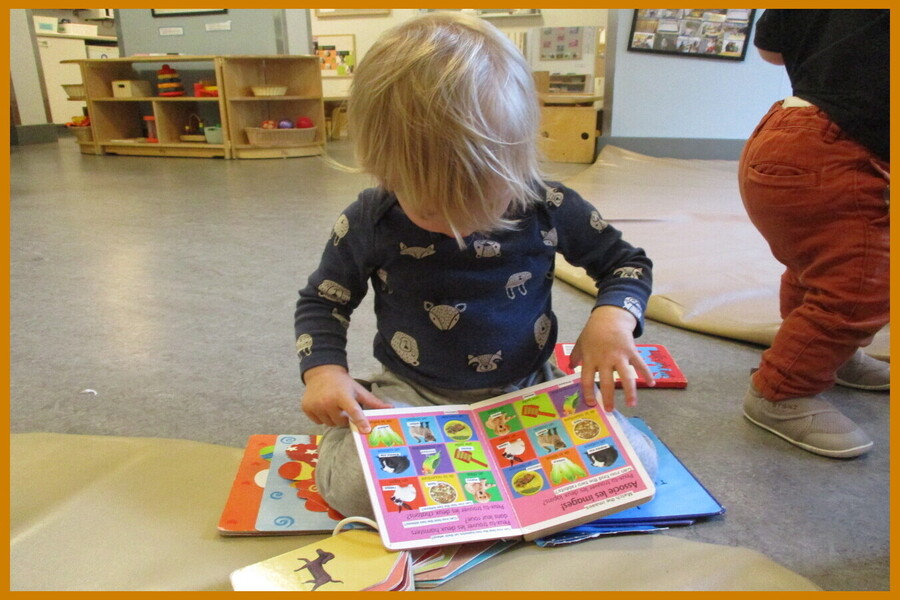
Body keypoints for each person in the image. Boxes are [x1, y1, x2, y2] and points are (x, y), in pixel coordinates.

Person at [294, 12, 658, 519]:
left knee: (635, 467)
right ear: (385, 171)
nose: (459, 225)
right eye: (430, 209)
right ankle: (346, 444)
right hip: (415, 392)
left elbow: (627, 264)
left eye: (480, 202)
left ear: (518, 160)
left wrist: (612, 319)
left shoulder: (549, 204)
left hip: (527, 386)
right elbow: (323, 301)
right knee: (356, 490)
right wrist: (325, 374)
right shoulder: (369, 220)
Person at [738, 9, 889, 459]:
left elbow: (770, 49)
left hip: (787, 128)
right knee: (863, 285)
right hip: (841, 151)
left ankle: (829, 356)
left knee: (815, 265)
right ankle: (780, 391)